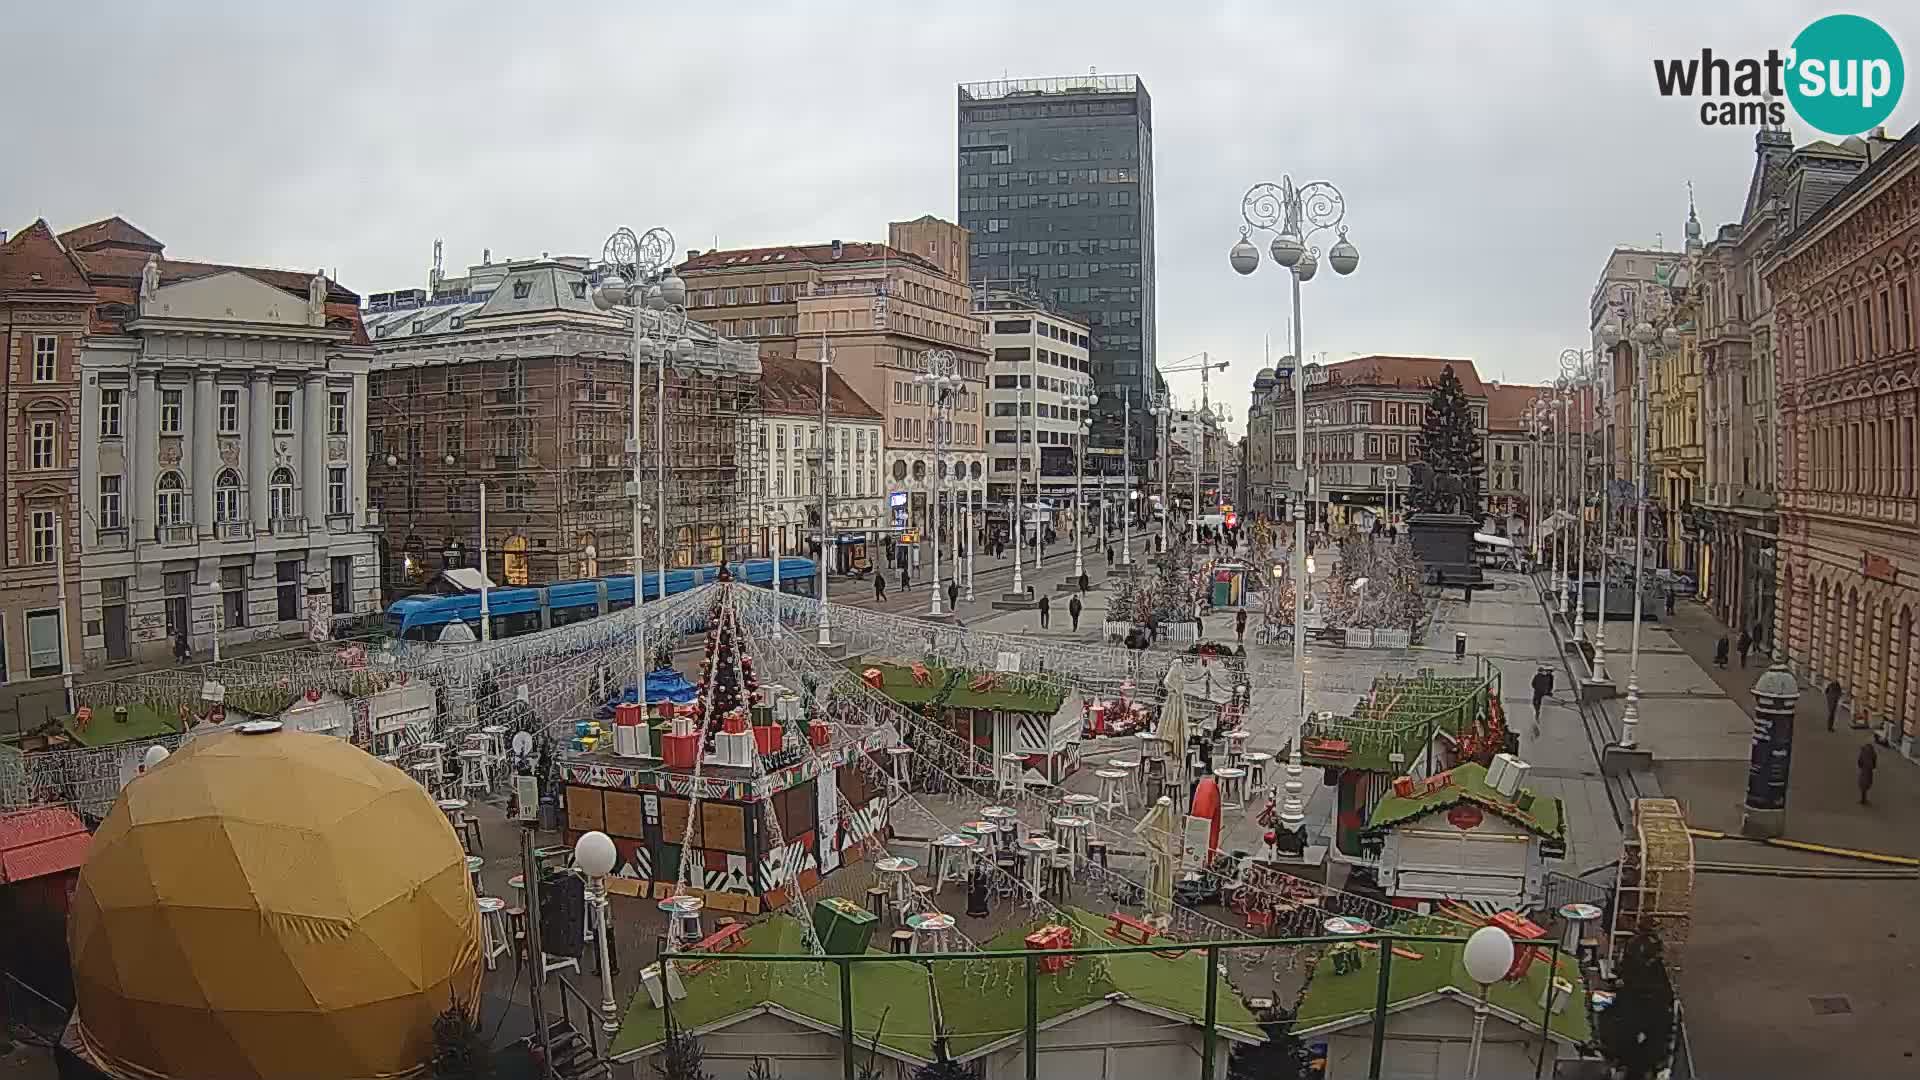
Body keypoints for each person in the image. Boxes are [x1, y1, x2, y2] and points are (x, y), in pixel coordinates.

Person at [1530, 666, 1554, 734]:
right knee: (1538, 701)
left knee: (1535, 701)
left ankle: (1537, 710)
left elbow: (1533, 684)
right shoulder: (1546, 677)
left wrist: (1536, 688)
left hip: (1537, 691)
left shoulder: (1538, 676)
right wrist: (1546, 691)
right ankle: (1537, 710)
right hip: (1541, 692)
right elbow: (1548, 685)